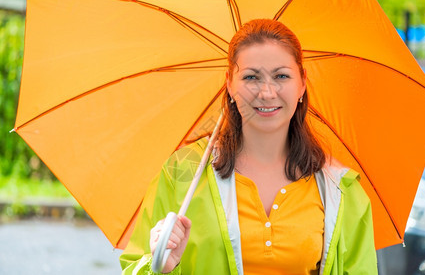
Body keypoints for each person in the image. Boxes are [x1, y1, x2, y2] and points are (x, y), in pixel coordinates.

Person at [120, 19, 378, 275]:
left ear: (302, 83)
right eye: (251, 77)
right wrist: (160, 267)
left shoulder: (340, 189)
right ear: (230, 84)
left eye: (281, 76)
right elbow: (135, 267)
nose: (266, 92)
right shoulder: (182, 173)